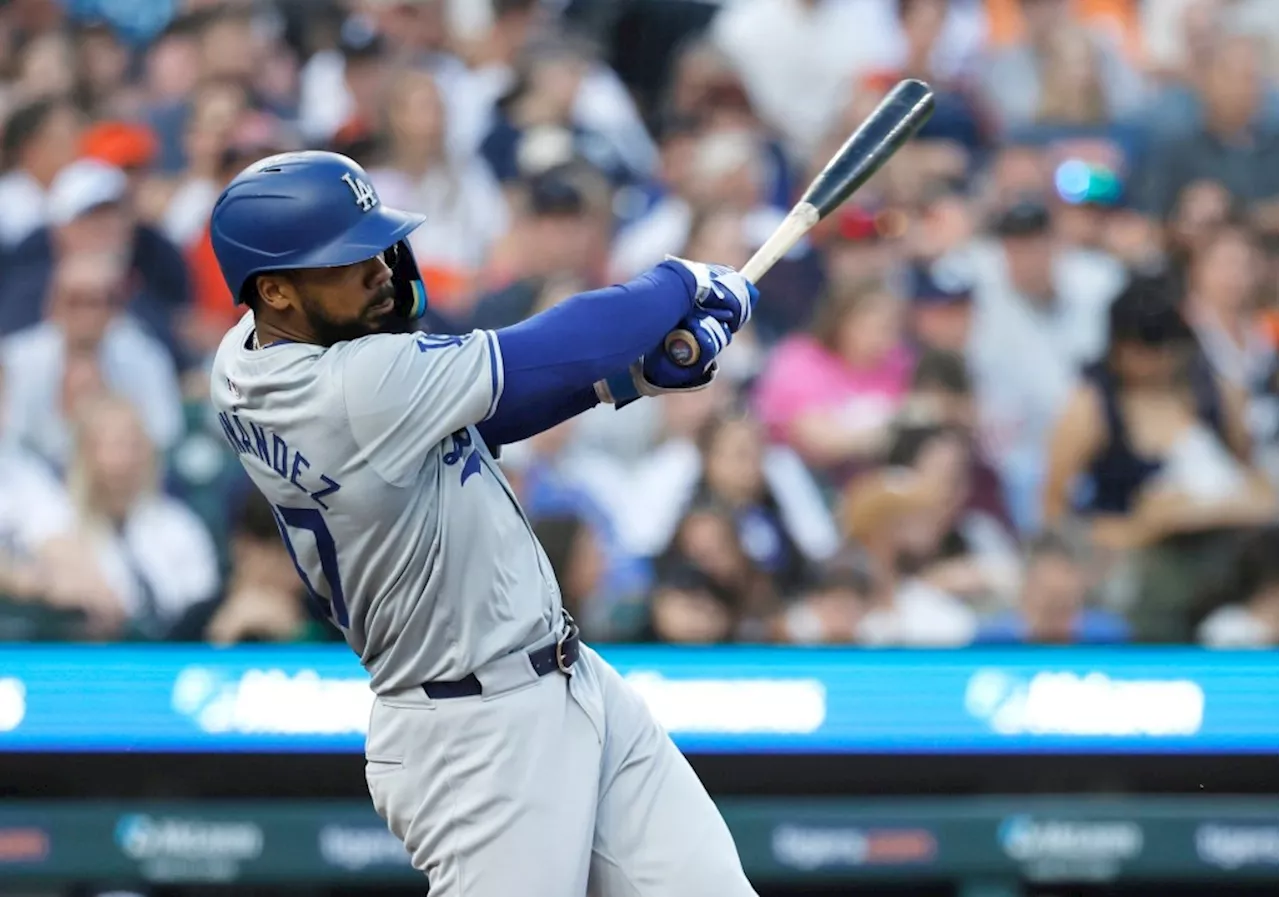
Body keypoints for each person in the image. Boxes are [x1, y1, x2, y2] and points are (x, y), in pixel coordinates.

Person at [206, 150, 758, 895]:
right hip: (472, 732)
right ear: (273, 290)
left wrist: (629, 376)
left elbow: (489, 407)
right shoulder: (350, 390)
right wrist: (684, 281)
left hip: (559, 675)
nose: (380, 269)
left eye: (375, 246)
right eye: (346, 260)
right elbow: (554, 347)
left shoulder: (249, 357)